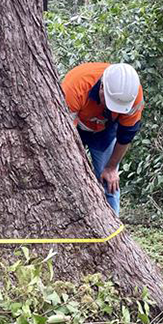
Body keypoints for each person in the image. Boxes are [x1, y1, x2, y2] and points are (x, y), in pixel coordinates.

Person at [61, 62, 144, 216]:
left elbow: (126, 136)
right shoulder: (76, 86)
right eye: (111, 103)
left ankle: (113, 228)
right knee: (69, 174)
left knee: (110, 182)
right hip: (75, 127)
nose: (113, 108)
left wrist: (111, 167)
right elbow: (64, 134)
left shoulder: (133, 95)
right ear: (101, 87)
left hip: (105, 131)